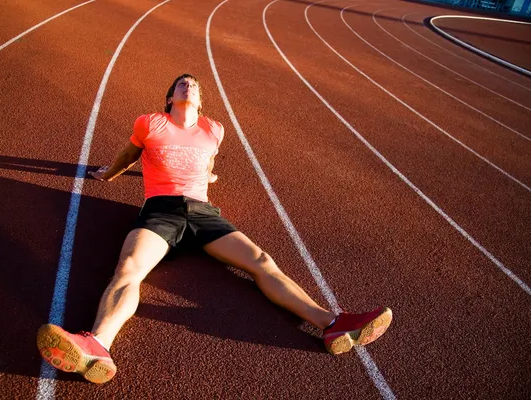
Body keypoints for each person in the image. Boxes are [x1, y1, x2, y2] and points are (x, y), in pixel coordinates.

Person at [36, 74, 393, 384]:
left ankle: (332, 324)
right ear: (170, 97)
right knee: (130, 269)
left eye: (193, 86)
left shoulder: (214, 129)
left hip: (205, 214)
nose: (187, 86)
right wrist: (108, 174)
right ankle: (98, 346)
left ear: (200, 102)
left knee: (261, 261)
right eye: (181, 84)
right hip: (162, 210)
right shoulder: (150, 123)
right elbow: (129, 155)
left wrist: (207, 176)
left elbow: (207, 160)